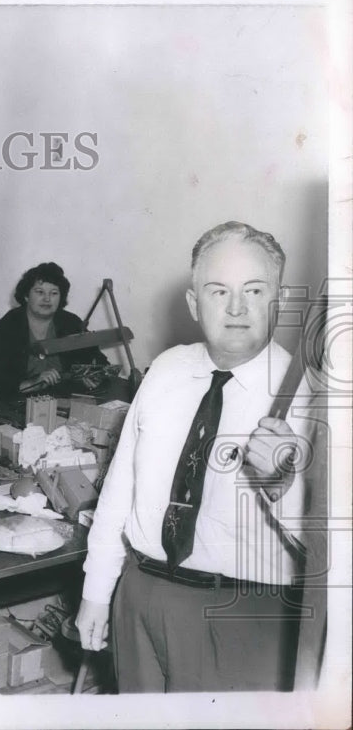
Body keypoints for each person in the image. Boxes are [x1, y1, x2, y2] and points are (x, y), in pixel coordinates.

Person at [75, 222, 311, 693]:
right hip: (140, 596)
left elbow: (331, 547)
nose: (237, 307)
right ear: (194, 302)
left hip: (240, 612)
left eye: (254, 289)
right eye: (219, 290)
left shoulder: (309, 396)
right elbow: (120, 490)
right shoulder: (166, 370)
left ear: (278, 299)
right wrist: (96, 592)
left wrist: (281, 486)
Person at [0, 262, 108, 401]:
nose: (47, 299)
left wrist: (93, 375)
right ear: (26, 296)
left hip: (65, 400)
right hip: (19, 402)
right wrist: (31, 384)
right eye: (39, 292)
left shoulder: (70, 322)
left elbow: (97, 360)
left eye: (54, 293)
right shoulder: (9, 325)